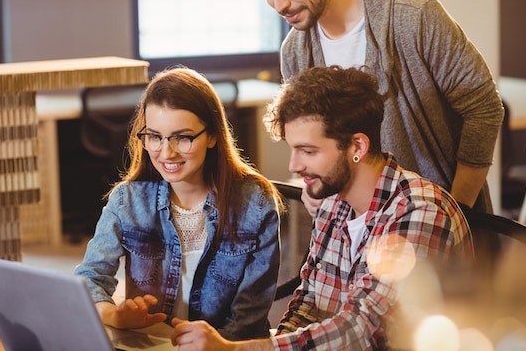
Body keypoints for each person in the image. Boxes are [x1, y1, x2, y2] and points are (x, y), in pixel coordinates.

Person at [170, 65, 473, 351]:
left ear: (357, 147)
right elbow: (308, 307)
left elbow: (363, 330)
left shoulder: (419, 212)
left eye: (308, 151)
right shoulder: (333, 204)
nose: (294, 165)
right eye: (293, 149)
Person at [231, 0, 504, 215]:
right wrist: (315, 188)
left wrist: (457, 210)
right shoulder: (295, 52)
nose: (278, 4)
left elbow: (483, 108)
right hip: (357, 233)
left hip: (434, 218)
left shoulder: (414, 17)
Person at [74, 66, 282, 340]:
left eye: (182, 137)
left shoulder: (255, 203)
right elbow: (89, 278)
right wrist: (114, 315)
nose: (166, 152)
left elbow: (248, 320)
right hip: (153, 344)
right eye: (155, 136)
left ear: (212, 136)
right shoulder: (127, 200)